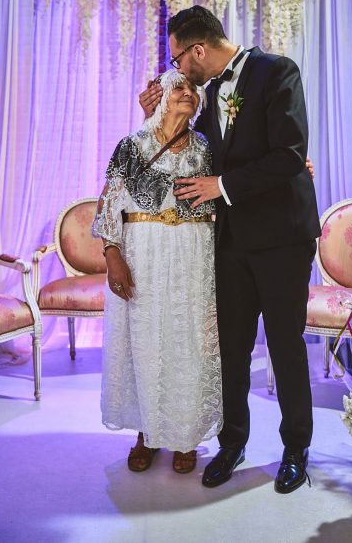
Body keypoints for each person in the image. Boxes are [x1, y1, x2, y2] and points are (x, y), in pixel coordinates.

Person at [138, 5, 320, 493]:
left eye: (179, 57)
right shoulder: (211, 90)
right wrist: (150, 114)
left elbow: (288, 154)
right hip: (233, 241)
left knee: (285, 347)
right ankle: (232, 442)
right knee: (232, 350)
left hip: (282, 239)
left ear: (199, 49)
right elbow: (187, 155)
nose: (177, 67)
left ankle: (295, 448)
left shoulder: (277, 71)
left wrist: (224, 185)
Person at [92, 71, 222, 475]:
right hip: (143, 250)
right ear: (159, 96)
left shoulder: (207, 148)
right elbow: (109, 202)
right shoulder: (132, 145)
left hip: (194, 252)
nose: (189, 95)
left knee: (189, 340)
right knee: (144, 340)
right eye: (179, 88)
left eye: (193, 90)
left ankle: (185, 435)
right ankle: (146, 433)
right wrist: (113, 254)